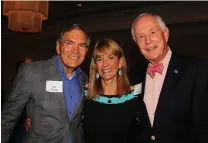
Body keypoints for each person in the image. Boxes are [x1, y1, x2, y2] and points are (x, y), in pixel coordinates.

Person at [1, 24, 90, 143]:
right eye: (69, 43)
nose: (76, 50)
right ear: (58, 47)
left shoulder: (84, 79)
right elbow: (7, 118)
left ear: (86, 51)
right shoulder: (32, 72)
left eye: (82, 45)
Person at [129, 12, 208, 143]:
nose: (148, 41)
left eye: (152, 32)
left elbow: (204, 127)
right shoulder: (134, 74)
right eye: (141, 36)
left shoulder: (196, 70)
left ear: (165, 35)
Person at [83, 38, 144, 143]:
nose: (105, 64)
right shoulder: (84, 95)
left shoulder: (135, 96)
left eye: (111, 58)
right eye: (99, 59)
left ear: (120, 62)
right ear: (95, 66)